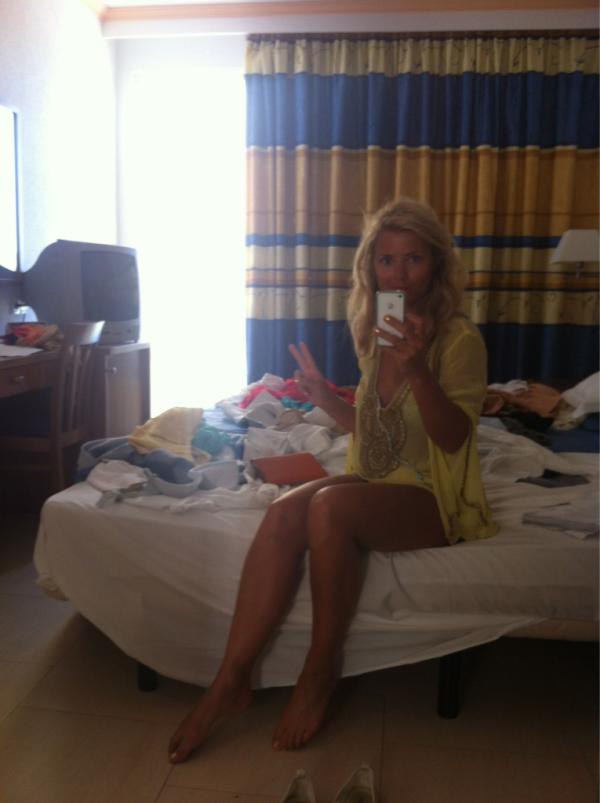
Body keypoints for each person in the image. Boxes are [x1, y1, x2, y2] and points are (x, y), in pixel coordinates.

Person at [168, 198, 497, 763]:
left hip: (432, 495)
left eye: (414, 259)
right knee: (283, 512)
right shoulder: (376, 334)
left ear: (437, 266)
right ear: (371, 268)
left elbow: (453, 440)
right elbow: (375, 432)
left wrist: (418, 369)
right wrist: (324, 398)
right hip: (375, 477)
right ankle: (230, 679)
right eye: (386, 260)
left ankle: (320, 670)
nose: (399, 274)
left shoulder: (459, 340)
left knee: (328, 510)